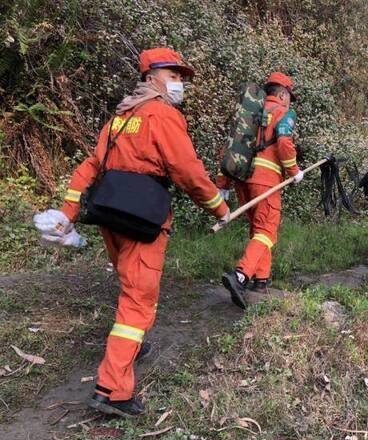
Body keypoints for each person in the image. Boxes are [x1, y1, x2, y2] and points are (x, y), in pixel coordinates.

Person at [33, 48, 230, 417]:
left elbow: (91, 166)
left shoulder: (121, 117)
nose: (180, 83)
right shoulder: (162, 115)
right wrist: (219, 207)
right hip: (143, 220)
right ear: (152, 77)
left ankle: (132, 346)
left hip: (111, 216)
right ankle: (112, 390)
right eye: (174, 75)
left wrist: (67, 211)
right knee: (139, 302)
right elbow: (187, 170)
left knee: (129, 287)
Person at [220, 72, 303, 309]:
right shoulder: (283, 112)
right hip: (266, 181)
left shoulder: (249, 112)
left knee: (258, 231)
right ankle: (241, 276)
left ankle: (261, 279)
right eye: (289, 97)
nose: (289, 102)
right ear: (282, 94)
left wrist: (223, 184)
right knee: (267, 230)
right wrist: (294, 171)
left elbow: (229, 147)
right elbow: (285, 143)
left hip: (242, 180)